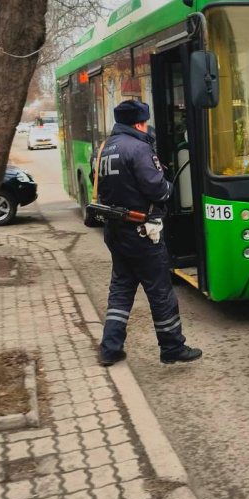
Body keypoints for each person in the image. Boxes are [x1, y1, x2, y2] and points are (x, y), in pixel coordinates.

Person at [95, 100, 202, 367]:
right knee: (160, 291)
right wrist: (167, 184)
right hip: (141, 231)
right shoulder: (139, 149)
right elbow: (158, 190)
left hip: (115, 230)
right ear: (139, 123)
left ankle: (110, 348)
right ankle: (172, 347)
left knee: (121, 288)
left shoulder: (103, 149)